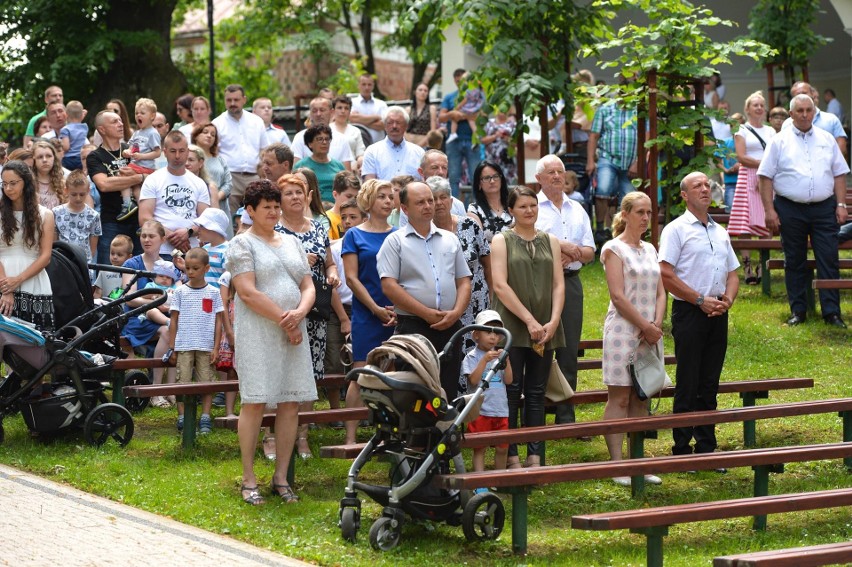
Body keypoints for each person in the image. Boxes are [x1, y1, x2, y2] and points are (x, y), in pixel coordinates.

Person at [225, 179, 316, 505]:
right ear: (250, 210)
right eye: (267, 207)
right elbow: (247, 292)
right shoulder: (241, 244)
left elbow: (308, 284)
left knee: (291, 402)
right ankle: (249, 478)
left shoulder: (291, 242)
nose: (274, 212)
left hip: (294, 329)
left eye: (276, 206)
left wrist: (300, 312)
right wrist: (285, 320)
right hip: (260, 331)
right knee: (256, 400)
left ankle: (281, 477)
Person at [659, 172, 739, 459]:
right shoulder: (676, 229)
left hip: (718, 311)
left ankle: (706, 448)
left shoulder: (720, 231)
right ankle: (681, 449)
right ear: (684, 195)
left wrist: (727, 299)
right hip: (690, 311)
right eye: (697, 186)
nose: (705, 189)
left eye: (707, 185)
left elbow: (732, 272)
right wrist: (699, 300)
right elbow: (666, 273)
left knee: (709, 382)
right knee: (688, 380)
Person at [758, 94, 849, 329]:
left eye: (809, 110)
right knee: (794, 260)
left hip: (823, 207)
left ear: (814, 111)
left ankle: (832, 313)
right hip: (790, 208)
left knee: (828, 258)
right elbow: (765, 177)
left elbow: (839, 173)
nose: (805, 114)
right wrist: (769, 210)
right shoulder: (779, 141)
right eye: (800, 110)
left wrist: (841, 204)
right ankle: (798, 311)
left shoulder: (827, 139)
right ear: (791, 114)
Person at [491, 186, 564, 468]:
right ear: (511, 210)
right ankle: (511, 454)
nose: (529, 211)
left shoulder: (551, 240)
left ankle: (535, 453)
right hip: (513, 324)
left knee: (536, 391)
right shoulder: (502, 240)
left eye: (533, 205)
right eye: (522, 206)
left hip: (546, 326)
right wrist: (529, 320)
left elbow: (559, 283)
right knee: (511, 389)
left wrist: (554, 319)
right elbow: (499, 284)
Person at [377, 181, 471, 400]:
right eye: (420, 202)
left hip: (451, 325)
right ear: (405, 209)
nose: (429, 205)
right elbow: (389, 285)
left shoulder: (450, 239)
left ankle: (444, 433)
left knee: (447, 386)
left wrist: (456, 313)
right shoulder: (394, 241)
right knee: (414, 390)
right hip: (414, 325)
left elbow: (464, 280)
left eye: (430, 200)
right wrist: (425, 313)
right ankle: (417, 435)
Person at [600, 192, 667, 487]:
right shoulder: (613, 249)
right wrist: (643, 324)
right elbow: (617, 295)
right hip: (623, 331)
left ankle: (637, 460)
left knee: (643, 395)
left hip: (649, 331)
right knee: (620, 396)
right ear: (625, 214)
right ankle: (616, 464)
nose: (646, 217)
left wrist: (656, 324)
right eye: (640, 211)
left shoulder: (651, 248)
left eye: (649, 212)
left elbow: (661, 292)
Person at [275, 174, 340, 460]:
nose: (295, 197)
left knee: (310, 375)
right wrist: (301, 262)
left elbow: (329, 262)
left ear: (308, 195)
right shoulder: (274, 230)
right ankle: (271, 436)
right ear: (280, 199)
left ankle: (303, 438)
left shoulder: (317, 227)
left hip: (315, 312)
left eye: (299, 192)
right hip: (284, 309)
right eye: (288, 193)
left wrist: (332, 273)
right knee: (280, 373)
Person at [535, 155, 595, 425]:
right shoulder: (531, 207)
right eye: (551, 172)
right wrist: (563, 246)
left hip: (571, 282)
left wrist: (572, 252)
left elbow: (590, 252)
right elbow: (529, 241)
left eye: (560, 171)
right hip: (540, 283)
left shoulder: (577, 209)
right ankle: (536, 412)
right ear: (539, 178)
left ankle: (565, 415)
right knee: (539, 347)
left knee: (569, 348)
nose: (557, 176)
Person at [341, 179, 396, 444]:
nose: (387, 201)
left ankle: (386, 434)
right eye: (381, 197)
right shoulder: (354, 234)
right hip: (366, 313)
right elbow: (352, 278)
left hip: (395, 312)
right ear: (368, 201)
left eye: (390, 196)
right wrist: (374, 308)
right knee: (361, 373)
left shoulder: (398, 234)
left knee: (392, 373)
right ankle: (351, 436)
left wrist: (397, 307)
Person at [429, 176, 491, 362]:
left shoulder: (469, 225)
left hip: (477, 303)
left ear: (451, 199)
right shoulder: (425, 233)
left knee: (479, 357)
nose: (439, 203)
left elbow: (487, 264)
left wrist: (492, 299)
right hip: (446, 309)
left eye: (443, 197)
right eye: (433, 199)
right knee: (451, 358)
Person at [166, 247, 224, 436]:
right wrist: (172, 346)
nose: (190, 272)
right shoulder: (180, 292)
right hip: (184, 344)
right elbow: (173, 320)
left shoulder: (214, 293)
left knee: (206, 381)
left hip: (206, 345)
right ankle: (182, 415)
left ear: (206, 268)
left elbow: (218, 323)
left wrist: (216, 347)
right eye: (188, 268)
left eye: (195, 268)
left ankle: (205, 415)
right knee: (182, 381)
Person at [121, 221, 180, 407]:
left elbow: (178, 291)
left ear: (162, 239)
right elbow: (128, 299)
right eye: (143, 236)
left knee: (170, 329)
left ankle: (170, 389)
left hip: (165, 316)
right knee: (168, 330)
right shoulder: (132, 263)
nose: (146, 240)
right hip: (137, 318)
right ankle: (156, 391)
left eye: (151, 236)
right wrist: (153, 303)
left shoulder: (169, 264)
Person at [0, 161, 56, 331]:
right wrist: (6, 289)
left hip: (32, 280)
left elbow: (46, 256)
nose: (8, 189)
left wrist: (18, 280)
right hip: (2, 276)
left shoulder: (45, 215)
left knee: (34, 343)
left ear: (26, 182)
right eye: (4, 184)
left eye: (13, 183)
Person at [138, 131, 210, 258]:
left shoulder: (199, 183)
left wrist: (188, 233)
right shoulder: (153, 179)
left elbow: (206, 220)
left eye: (181, 151)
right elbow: (144, 218)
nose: (177, 156)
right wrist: (172, 236)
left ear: (187, 152)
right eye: (173, 151)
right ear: (164, 152)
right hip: (160, 251)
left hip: (191, 252)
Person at [728, 91, 774, 284]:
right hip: (748, 176)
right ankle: (747, 267)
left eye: (762, 105)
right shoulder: (742, 130)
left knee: (767, 219)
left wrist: (767, 168)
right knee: (745, 223)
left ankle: (763, 267)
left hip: (767, 177)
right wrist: (763, 164)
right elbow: (741, 156)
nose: (759, 108)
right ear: (747, 109)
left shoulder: (771, 131)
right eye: (755, 105)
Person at [87, 110, 144, 264]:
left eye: (120, 120)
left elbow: (151, 175)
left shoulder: (132, 151)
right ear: (102, 129)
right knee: (108, 272)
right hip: (112, 222)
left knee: (140, 271)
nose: (121, 124)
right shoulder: (95, 156)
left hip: (139, 222)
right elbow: (104, 184)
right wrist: (139, 178)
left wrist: (140, 177)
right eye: (114, 122)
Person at [462, 309, 513, 475]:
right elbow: (473, 380)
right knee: (479, 448)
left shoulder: (501, 355)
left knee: (502, 448)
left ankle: (498, 478)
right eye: (488, 332)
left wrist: (507, 361)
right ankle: (480, 480)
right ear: (476, 335)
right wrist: (484, 360)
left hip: (500, 409)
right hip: (481, 411)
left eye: (497, 333)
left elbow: (509, 380)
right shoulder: (472, 357)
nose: (493, 337)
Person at [586, 95, 638, 243]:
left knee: (630, 198)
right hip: (607, 158)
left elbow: (646, 138)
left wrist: (637, 161)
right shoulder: (604, 109)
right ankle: (600, 230)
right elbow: (594, 136)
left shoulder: (638, 110)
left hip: (630, 162)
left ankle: (624, 233)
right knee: (602, 188)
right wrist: (590, 161)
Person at [212, 84, 269, 213]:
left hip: (254, 176)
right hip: (230, 177)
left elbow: (264, 149)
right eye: (229, 100)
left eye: (236, 100)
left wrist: (263, 168)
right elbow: (214, 153)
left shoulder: (256, 121)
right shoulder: (217, 123)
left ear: (244, 99)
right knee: (229, 218)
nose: (232, 103)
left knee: (257, 214)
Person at [440, 68, 482, 198]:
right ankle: (453, 207)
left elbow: (481, 115)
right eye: (458, 80)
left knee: (476, 175)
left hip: (472, 140)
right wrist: (453, 114)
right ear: (454, 81)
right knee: (453, 176)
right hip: (454, 141)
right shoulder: (449, 97)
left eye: (463, 80)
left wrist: (459, 115)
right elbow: (441, 117)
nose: (460, 82)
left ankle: (477, 207)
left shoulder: (476, 94)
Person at [52, 170, 101, 282]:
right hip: (62, 263)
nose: (78, 198)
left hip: (83, 265)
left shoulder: (93, 215)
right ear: (66, 190)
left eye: (82, 194)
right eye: (74, 194)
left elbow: (92, 247)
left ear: (88, 191)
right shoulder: (56, 212)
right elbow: (54, 243)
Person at [119, 98, 162, 221]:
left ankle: (127, 204)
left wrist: (141, 156)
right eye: (137, 113)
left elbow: (157, 152)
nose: (138, 115)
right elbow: (129, 148)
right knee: (137, 190)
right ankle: (144, 218)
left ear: (152, 116)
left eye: (142, 113)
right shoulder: (137, 133)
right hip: (136, 165)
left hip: (145, 168)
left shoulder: (152, 133)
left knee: (122, 173)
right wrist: (127, 152)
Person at [782, 82, 847, 157]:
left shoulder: (831, 120)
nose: (802, 96)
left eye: (804, 93)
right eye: (797, 94)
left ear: (813, 94)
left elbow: (842, 149)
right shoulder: (787, 124)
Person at [361, 107, 425, 181]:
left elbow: (423, 182)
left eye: (398, 122)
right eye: (390, 122)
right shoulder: (372, 151)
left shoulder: (419, 153)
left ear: (406, 126)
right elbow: (369, 184)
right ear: (384, 125)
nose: (394, 126)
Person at [291, 97, 353, 170]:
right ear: (310, 113)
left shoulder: (342, 139)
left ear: (332, 112)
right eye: (314, 111)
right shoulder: (300, 137)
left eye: (322, 110)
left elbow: (347, 174)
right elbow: (295, 171)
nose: (318, 114)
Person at [192, 123, 232, 226]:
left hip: (221, 205)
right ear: (196, 135)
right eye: (205, 132)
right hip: (197, 205)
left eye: (213, 134)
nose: (209, 136)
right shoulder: (189, 159)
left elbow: (228, 183)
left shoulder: (220, 159)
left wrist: (216, 198)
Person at [294, 125, 345, 202]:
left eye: (327, 139)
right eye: (319, 139)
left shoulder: (339, 166)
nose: (324, 142)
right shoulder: (301, 166)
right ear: (310, 144)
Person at [467, 160, 513, 243]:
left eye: (495, 176)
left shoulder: (513, 203)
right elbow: (479, 244)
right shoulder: (474, 210)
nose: (492, 181)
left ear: (501, 179)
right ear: (479, 184)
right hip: (490, 255)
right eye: (486, 178)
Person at [481, 109, 517, 184]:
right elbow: (482, 140)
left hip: (508, 161)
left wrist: (507, 139)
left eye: (504, 110)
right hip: (491, 159)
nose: (502, 112)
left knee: (507, 183)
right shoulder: (489, 123)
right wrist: (495, 136)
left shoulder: (513, 124)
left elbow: (516, 144)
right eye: (500, 110)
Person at [93, 234, 133, 301]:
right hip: (106, 308)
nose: (115, 257)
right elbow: (97, 293)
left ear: (129, 257)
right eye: (112, 253)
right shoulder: (103, 271)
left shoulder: (131, 273)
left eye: (119, 255)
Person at [350, 74, 388, 144]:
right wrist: (376, 117)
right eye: (363, 84)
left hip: (379, 146)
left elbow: (384, 125)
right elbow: (352, 119)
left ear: (373, 86)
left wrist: (360, 120)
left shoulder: (381, 104)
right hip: (357, 146)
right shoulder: (352, 102)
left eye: (369, 84)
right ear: (358, 85)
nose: (366, 87)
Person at [446, 75, 484, 145]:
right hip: (474, 108)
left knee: (454, 118)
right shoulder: (479, 90)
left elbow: (465, 100)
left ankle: (453, 133)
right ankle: (476, 134)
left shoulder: (469, 90)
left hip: (467, 108)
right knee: (471, 121)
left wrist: (457, 108)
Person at [330, 96, 367, 162]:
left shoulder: (356, 131)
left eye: (346, 108)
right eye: (339, 108)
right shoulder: (327, 129)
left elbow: (360, 154)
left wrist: (360, 161)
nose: (343, 111)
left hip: (352, 169)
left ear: (350, 111)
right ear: (333, 111)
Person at [325, 170, 360, 240]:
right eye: (349, 196)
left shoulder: (360, 217)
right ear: (335, 195)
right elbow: (328, 245)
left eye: (356, 197)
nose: (353, 200)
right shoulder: (327, 218)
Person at [31, 141, 66, 209]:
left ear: (54, 158)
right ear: (34, 159)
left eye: (49, 156)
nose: (44, 160)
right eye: (40, 157)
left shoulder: (63, 182)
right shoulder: (29, 181)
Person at [58, 101, 88, 170]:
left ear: (66, 115)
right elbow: (84, 112)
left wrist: (60, 143)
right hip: (80, 158)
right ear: (81, 115)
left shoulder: (65, 129)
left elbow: (66, 147)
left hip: (69, 159)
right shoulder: (84, 127)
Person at [406, 83, 437, 148]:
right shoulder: (408, 109)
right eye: (420, 90)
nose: (423, 92)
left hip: (424, 144)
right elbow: (403, 129)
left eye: (425, 91)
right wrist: (409, 144)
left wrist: (419, 145)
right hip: (408, 144)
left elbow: (432, 131)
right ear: (415, 92)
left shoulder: (432, 108)